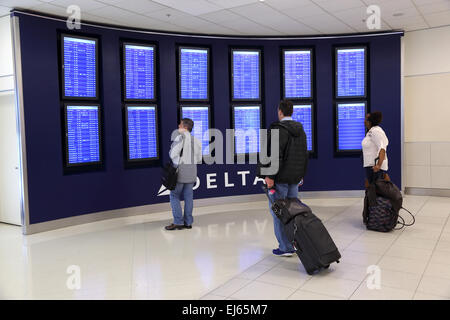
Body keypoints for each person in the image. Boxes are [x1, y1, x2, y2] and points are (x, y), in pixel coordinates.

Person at [258, 100, 309, 257]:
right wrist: (300, 174)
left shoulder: (277, 130)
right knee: (293, 212)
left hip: (279, 179)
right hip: (294, 178)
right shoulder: (301, 130)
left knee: (279, 212)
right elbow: (303, 155)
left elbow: (274, 156)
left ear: (280, 111)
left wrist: (270, 176)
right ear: (291, 112)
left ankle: (285, 247)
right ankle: (294, 243)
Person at [165, 118, 202, 231]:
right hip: (191, 173)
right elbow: (199, 158)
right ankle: (188, 222)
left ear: (185, 127)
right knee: (188, 197)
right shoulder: (196, 140)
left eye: (180, 124)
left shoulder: (180, 138)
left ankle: (178, 222)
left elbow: (172, 154)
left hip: (180, 173)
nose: (178, 125)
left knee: (174, 196)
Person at [362, 111, 389, 188]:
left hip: (376, 168)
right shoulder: (370, 132)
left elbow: (382, 148)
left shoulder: (376, 131)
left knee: (378, 194)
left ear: (370, 122)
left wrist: (378, 165)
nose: (364, 121)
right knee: (373, 192)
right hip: (371, 167)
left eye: (365, 119)